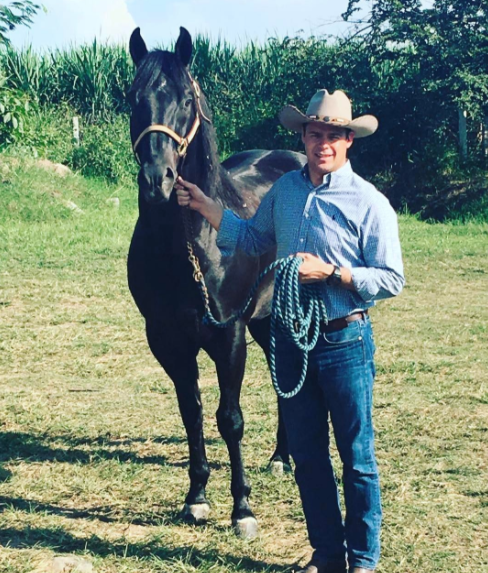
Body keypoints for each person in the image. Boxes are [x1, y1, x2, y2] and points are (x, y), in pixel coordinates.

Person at [176, 89, 405, 573]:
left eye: (334, 135)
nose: (324, 143)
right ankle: (327, 555)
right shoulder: (285, 191)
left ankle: (363, 561)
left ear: (349, 141)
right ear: (303, 136)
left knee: (357, 458)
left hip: (344, 339)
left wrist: (334, 273)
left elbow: (391, 279)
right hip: (291, 341)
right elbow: (251, 237)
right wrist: (205, 206)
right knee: (308, 456)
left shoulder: (370, 203)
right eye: (315, 133)